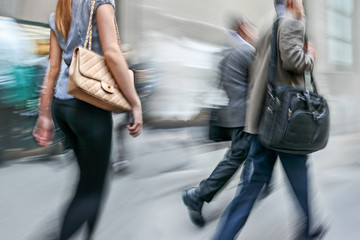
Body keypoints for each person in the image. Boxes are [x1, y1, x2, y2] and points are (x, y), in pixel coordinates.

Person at [213, 0, 326, 239]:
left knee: (252, 185)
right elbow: (294, 61)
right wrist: (311, 56)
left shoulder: (267, 25)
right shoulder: (292, 22)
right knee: (298, 174)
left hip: (263, 119)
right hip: (286, 120)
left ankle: (223, 234)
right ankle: (309, 228)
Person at [32, 0, 143, 239]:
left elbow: (52, 69)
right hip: (88, 104)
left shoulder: (61, 9)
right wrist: (135, 102)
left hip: (63, 105)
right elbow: (112, 53)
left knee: (91, 179)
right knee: (92, 188)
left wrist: (44, 115)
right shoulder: (101, 1)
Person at [181, 15, 257, 227]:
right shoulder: (246, 51)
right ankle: (197, 196)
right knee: (237, 156)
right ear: (243, 27)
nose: (254, 34)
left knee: (245, 154)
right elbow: (258, 83)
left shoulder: (225, 50)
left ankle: (255, 186)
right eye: (251, 29)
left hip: (232, 113)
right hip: (244, 116)